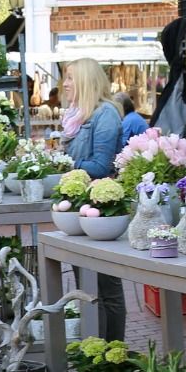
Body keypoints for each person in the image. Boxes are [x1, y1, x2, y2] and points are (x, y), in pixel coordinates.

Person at [64, 57, 126, 339]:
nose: (64, 84)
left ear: (86, 81)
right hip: (79, 209)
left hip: (100, 209)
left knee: (106, 286)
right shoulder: (78, 116)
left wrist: (64, 167)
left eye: (70, 78)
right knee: (87, 287)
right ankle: (95, 354)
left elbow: (102, 166)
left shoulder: (106, 114)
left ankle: (112, 353)